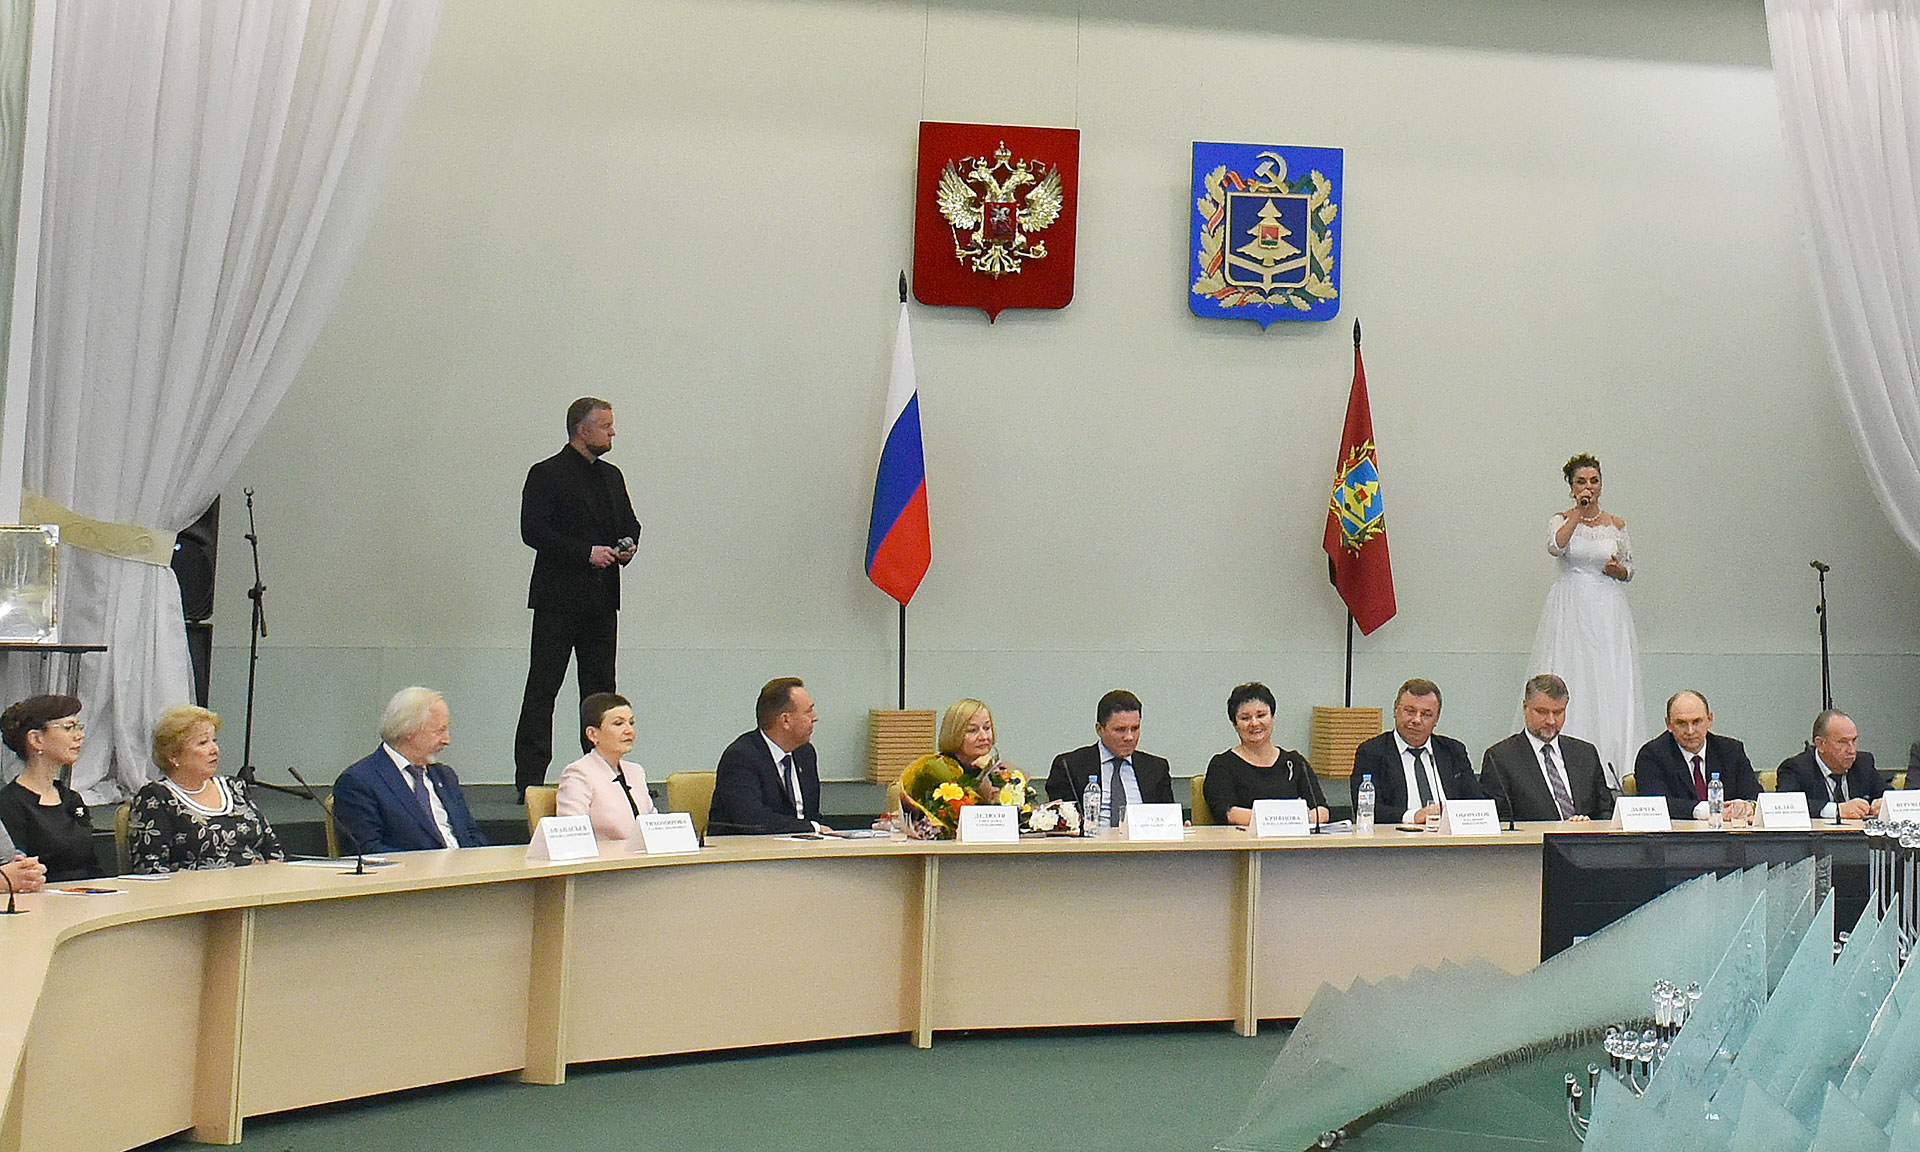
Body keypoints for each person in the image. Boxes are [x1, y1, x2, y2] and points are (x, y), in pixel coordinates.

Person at [513, 397, 643, 798]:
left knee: (601, 691)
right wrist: (585, 553)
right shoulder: (546, 474)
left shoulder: (611, 476)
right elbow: (533, 530)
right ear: (582, 430)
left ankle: (604, 775)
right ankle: (530, 779)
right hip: (558, 598)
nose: (612, 432)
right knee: (543, 687)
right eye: (605, 425)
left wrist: (627, 545)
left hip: (601, 600)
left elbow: (630, 524)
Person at [1523, 453, 1643, 788]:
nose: (1588, 487)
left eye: (1594, 481)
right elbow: (1555, 547)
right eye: (1581, 482)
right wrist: (1578, 512)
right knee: (1573, 671)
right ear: (1572, 486)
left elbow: (1630, 568)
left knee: (1608, 679)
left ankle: (1615, 767)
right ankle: (1566, 764)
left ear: (1601, 484)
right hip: (1571, 605)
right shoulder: (1561, 519)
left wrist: (1618, 570)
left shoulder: (1616, 524)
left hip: (1607, 608)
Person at [128, 705, 284, 872]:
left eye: (214, 741)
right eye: (203, 743)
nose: (214, 750)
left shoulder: (235, 787)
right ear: (173, 755)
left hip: (256, 884)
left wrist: (270, 874)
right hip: (197, 887)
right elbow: (150, 868)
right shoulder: (157, 797)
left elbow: (273, 850)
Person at [334, 687, 488, 853]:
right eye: (439, 731)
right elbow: (366, 850)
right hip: (413, 868)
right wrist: (433, 863)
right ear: (409, 730)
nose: (446, 740)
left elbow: (471, 834)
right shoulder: (359, 782)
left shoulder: (445, 776)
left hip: (465, 866)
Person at [1478, 675, 1614, 823]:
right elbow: (1500, 821)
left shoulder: (1585, 753)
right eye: (1542, 712)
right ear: (1525, 707)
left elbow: (1606, 812)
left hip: (1587, 837)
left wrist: (1590, 826)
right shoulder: (1500, 758)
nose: (1551, 721)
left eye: (1558, 712)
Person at [708, 677, 829, 835]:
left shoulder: (805, 753)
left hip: (802, 846)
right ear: (785, 720)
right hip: (749, 848)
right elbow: (752, 820)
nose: (815, 717)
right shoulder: (741, 757)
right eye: (808, 711)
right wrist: (812, 828)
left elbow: (811, 814)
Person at [1350, 678, 1481, 825]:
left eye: (1426, 714)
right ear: (1395, 710)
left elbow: (1477, 803)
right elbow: (1367, 809)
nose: (1417, 720)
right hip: (1398, 836)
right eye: (1410, 711)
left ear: (1436, 719)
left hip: (1449, 835)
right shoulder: (1372, 752)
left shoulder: (1453, 751)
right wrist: (1414, 816)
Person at [0, 695, 102, 881]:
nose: (79, 735)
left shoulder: (72, 799)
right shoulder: (9, 803)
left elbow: (92, 865)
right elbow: (19, 870)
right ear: (36, 739)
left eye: (78, 727)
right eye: (68, 727)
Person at [1204, 682, 1328, 827]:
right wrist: (1285, 820)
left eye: (1261, 715)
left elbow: (1321, 810)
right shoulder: (1222, 765)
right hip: (1244, 840)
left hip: (1293, 840)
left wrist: (1298, 819)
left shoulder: (1294, 762)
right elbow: (1227, 813)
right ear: (1235, 724)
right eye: (1245, 718)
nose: (1254, 723)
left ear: (1272, 717)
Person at [1046, 690, 1174, 829]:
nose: (1129, 737)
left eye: (1135, 728)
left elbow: (1168, 820)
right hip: (1091, 841)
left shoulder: (1156, 768)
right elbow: (1061, 825)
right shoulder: (1068, 766)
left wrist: (1179, 827)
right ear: (1100, 729)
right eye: (1120, 730)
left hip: (1144, 841)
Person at [1632, 690, 1759, 822]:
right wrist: (1710, 811)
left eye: (1697, 722)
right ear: (1668, 724)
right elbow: (1656, 804)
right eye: (1681, 723)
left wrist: (1749, 806)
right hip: (1680, 833)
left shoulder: (1731, 750)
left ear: (1710, 720)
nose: (1690, 731)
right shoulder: (1652, 755)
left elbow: (1755, 795)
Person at [556, 691, 656, 841]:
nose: (629, 731)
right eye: (618, 724)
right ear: (592, 734)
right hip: (603, 855)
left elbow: (653, 824)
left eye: (631, 723)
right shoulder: (578, 774)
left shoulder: (636, 771)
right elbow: (572, 836)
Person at [1778, 710, 1886, 821]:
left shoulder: (1863, 763)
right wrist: (1836, 810)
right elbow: (1786, 805)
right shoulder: (1796, 768)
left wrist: (1884, 804)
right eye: (1843, 742)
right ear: (1821, 744)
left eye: (1854, 741)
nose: (1852, 750)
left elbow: (1889, 795)